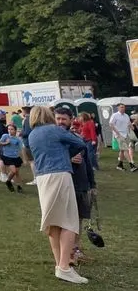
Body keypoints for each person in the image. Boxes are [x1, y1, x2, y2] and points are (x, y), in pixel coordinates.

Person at [28, 105, 89, 285]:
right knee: (69, 222)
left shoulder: (32, 135)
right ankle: (64, 267)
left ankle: (59, 264)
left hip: (42, 178)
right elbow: (80, 143)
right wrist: (65, 153)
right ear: (48, 115)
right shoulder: (54, 130)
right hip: (60, 175)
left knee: (53, 223)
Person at [55, 107, 96, 266]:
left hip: (81, 185)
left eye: (63, 119)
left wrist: (92, 185)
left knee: (77, 220)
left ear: (71, 120)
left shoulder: (77, 139)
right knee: (63, 221)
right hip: (63, 184)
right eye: (58, 118)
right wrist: (69, 160)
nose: (60, 122)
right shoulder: (54, 141)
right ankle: (65, 254)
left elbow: (87, 164)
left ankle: (75, 250)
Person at [109, 103, 136, 171]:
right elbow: (111, 124)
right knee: (126, 149)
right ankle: (132, 165)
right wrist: (117, 133)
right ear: (118, 108)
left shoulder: (126, 115)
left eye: (124, 107)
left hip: (126, 135)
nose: (123, 108)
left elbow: (129, 123)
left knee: (122, 150)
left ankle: (120, 165)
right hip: (119, 135)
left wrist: (133, 128)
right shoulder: (115, 115)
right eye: (121, 107)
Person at [0, 123, 24, 193]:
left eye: (12, 129)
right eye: (9, 129)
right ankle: (8, 181)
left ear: (15, 130)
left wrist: (23, 157)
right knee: (13, 171)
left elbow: (21, 148)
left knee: (17, 173)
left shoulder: (18, 139)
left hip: (16, 157)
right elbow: (0, 143)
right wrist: (5, 143)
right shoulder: (5, 136)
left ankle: (19, 186)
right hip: (7, 156)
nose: (10, 131)